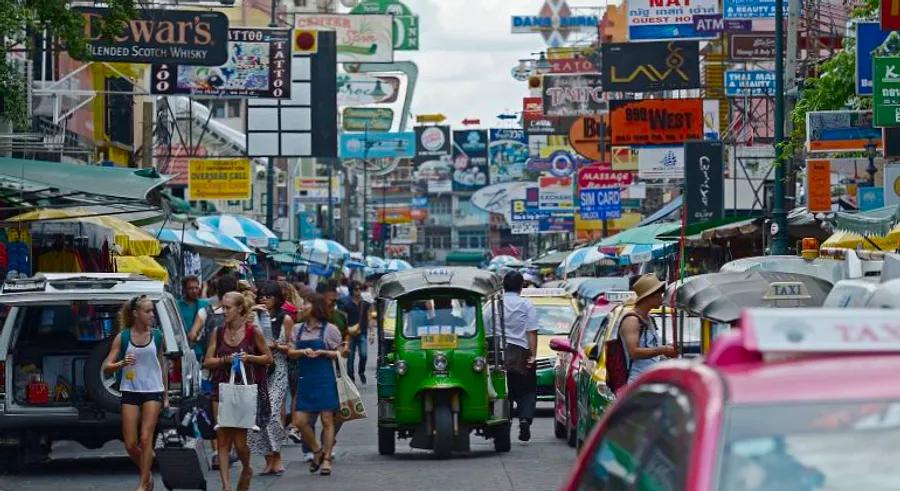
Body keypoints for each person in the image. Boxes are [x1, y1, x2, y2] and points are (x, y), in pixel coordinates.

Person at [204, 292, 273, 491]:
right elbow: (207, 361)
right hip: (221, 389)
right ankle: (226, 487)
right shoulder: (218, 332)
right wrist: (225, 360)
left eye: (228, 308)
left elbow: (268, 359)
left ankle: (247, 467)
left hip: (243, 390)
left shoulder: (252, 332)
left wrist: (249, 358)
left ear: (240, 309)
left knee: (240, 442)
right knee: (223, 440)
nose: (223, 311)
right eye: (222, 307)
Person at [102, 296, 166, 491]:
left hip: (153, 390)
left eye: (152, 311)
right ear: (136, 314)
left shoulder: (157, 336)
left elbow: (162, 365)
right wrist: (122, 363)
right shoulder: (123, 337)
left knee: (146, 438)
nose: (151, 315)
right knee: (130, 444)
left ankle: (143, 483)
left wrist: (166, 396)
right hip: (130, 389)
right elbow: (106, 367)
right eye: (147, 311)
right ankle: (147, 474)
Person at [282, 294, 342, 477]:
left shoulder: (330, 329)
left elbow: (341, 352)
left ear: (315, 307)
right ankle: (317, 450)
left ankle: (326, 460)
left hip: (324, 378)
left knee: (327, 419)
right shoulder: (297, 329)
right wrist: (302, 351)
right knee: (299, 421)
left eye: (305, 304)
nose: (301, 307)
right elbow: (290, 352)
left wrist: (324, 352)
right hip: (305, 379)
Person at [249, 282, 293, 476]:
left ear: (277, 298)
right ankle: (269, 459)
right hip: (258, 369)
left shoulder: (286, 319)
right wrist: (250, 312)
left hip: (278, 369)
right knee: (257, 417)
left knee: (273, 414)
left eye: (268, 296)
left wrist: (277, 346)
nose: (264, 300)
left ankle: (278, 456)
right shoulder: (253, 317)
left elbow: (291, 348)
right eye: (261, 296)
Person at [619, 274, 677, 384]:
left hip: (650, 381)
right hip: (636, 383)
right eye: (659, 295)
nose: (661, 299)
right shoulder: (632, 320)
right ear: (649, 297)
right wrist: (662, 349)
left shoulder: (647, 318)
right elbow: (634, 352)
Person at [502, 271, 539, 442]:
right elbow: (531, 332)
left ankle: (503, 420)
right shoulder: (526, 305)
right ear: (521, 286)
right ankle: (524, 419)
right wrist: (532, 356)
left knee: (502, 390)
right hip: (520, 353)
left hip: (498, 354)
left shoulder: (494, 305)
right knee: (527, 390)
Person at [340, 281, 371, 384]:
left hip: (362, 333)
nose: (358, 291)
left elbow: (370, 317)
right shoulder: (347, 305)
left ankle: (361, 372)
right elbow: (343, 318)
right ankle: (351, 377)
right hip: (350, 334)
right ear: (352, 291)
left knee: (364, 354)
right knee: (350, 357)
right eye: (356, 289)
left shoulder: (365, 304)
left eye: (359, 289)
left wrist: (372, 333)